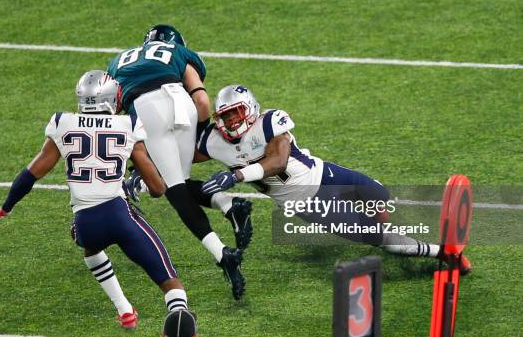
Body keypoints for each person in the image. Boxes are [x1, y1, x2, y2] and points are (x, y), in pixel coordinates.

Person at [0, 70, 193, 330]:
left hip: (85, 224)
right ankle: (181, 323)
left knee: (89, 243)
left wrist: (6, 206)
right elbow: (158, 189)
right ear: (109, 99)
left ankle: (124, 309)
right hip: (120, 217)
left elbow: (31, 174)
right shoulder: (128, 124)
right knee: (171, 285)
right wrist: (135, 180)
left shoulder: (63, 123)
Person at [193, 84, 471, 274]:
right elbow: (182, 153)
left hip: (323, 172)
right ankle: (442, 253)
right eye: (225, 117)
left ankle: (392, 238)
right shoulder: (215, 142)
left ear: (250, 108)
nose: (230, 122)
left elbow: (277, 162)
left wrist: (237, 175)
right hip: (305, 202)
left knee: (379, 196)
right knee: (376, 237)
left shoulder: (269, 121)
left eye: (235, 114)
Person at [107, 25, 248, 299]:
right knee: (178, 186)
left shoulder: (118, 62)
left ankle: (223, 254)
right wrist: (198, 131)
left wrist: (132, 159)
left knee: (173, 190)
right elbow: (202, 101)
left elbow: (112, 118)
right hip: (183, 105)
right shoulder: (180, 53)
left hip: (146, 108)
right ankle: (229, 205)